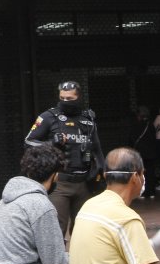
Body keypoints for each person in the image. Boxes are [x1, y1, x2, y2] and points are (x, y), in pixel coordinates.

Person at [68, 147, 160, 264]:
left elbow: (111, 252)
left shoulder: (89, 206)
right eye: (142, 174)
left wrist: (150, 244)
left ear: (105, 175)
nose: (143, 179)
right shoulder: (127, 219)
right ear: (135, 177)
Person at [0, 144, 72, 264]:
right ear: (55, 176)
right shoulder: (41, 205)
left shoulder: (5, 199)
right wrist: (81, 258)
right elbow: (55, 262)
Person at [24, 81, 104, 234]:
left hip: (84, 183)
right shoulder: (48, 117)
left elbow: (97, 147)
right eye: (63, 98)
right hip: (59, 184)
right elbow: (28, 142)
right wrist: (51, 142)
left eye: (70, 98)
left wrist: (102, 169)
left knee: (84, 231)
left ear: (79, 97)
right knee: (56, 231)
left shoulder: (88, 119)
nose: (66, 102)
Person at [128, 106, 158, 198]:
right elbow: (154, 138)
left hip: (140, 153)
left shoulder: (136, 125)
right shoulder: (151, 125)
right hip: (151, 152)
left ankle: (144, 192)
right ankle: (152, 191)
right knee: (151, 172)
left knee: (142, 173)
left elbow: (132, 139)